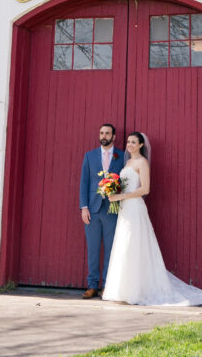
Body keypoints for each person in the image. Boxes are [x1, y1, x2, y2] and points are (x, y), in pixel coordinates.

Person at [102, 131, 202, 307]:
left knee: (135, 245)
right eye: (128, 142)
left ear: (141, 145)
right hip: (125, 209)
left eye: (133, 142)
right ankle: (124, 289)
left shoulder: (142, 162)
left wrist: (120, 197)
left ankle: (138, 291)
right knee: (125, 245)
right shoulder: (128, 163)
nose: (130, 145)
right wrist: (114, 192)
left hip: (134, 207)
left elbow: (145, 189)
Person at [79, 123, 125, 298]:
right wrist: (84, 207)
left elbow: (125, 182)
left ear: (113, 137)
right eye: (101, 133)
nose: (104, 136)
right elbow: (84, 183)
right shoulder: (89, 156)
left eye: (107, 133)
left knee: (111, 248)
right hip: (93, 209)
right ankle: (92, 285)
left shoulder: (121, 156)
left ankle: (107, 285)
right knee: (93, 248)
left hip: (112, 209)